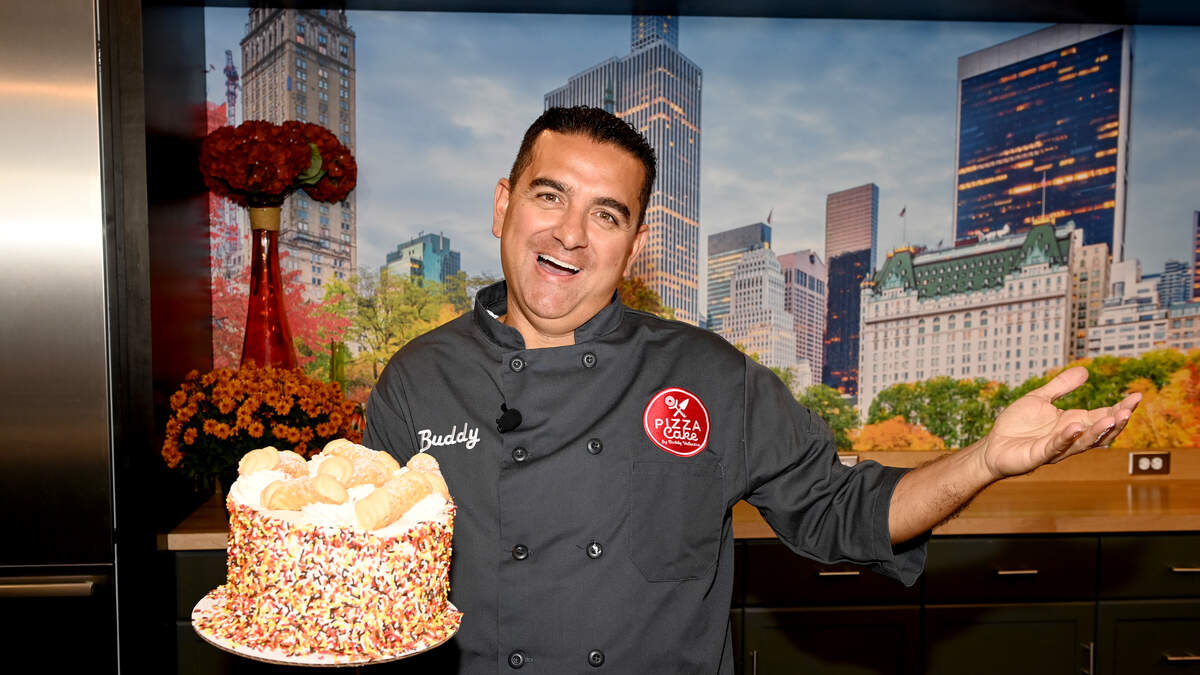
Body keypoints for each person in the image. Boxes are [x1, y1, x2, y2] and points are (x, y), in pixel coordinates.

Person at [364, 106, 1140, 674]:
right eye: (549, 196)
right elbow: (369, 596)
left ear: (634, 246)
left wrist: (986, 459)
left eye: (606, 215)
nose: (570, 233)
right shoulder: (418, 381)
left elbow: (843, 509)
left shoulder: (708, 375)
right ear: (503, 204)